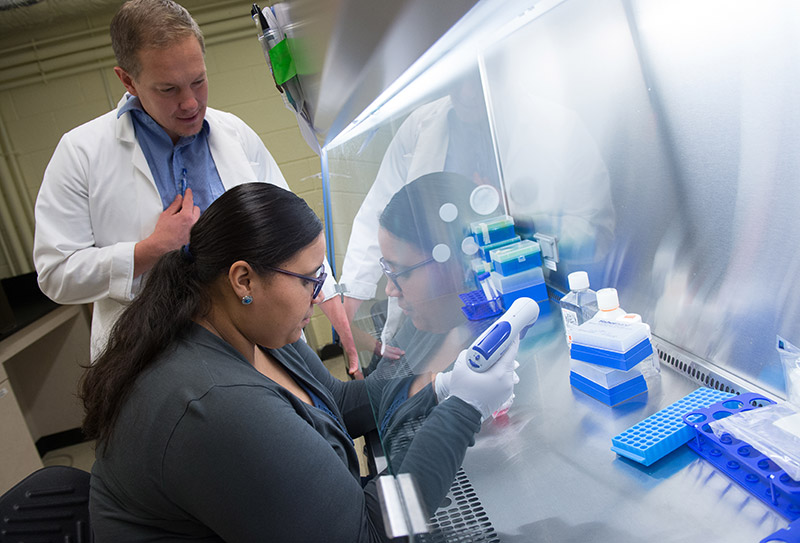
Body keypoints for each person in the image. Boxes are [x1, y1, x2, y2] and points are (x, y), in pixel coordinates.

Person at [80, 182, 518, 542]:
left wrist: (439, 385)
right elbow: (368, 534)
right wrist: (463, 410)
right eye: (310, 280)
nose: (319, 296)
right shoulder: (215, 406)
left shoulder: (251, 329)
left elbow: (338, 403)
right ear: (243, 279)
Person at [31, 0, 359, 372]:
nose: (190, 103)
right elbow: (56, 275)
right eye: (168, 89)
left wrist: (333, 306)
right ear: (128, 80)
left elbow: (292, 232)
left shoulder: (234, 133)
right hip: (159, 357)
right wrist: (149, 249)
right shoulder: (80, 152)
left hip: (260, 339)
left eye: (199, 81)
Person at [339, 67, 502, 359]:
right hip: (437, 301)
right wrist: (351, 296)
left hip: (493, 288)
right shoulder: (422, 124)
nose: (467, 93)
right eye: (458, 77)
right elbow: (381, 210)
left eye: (477, 80)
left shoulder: (538, 122)